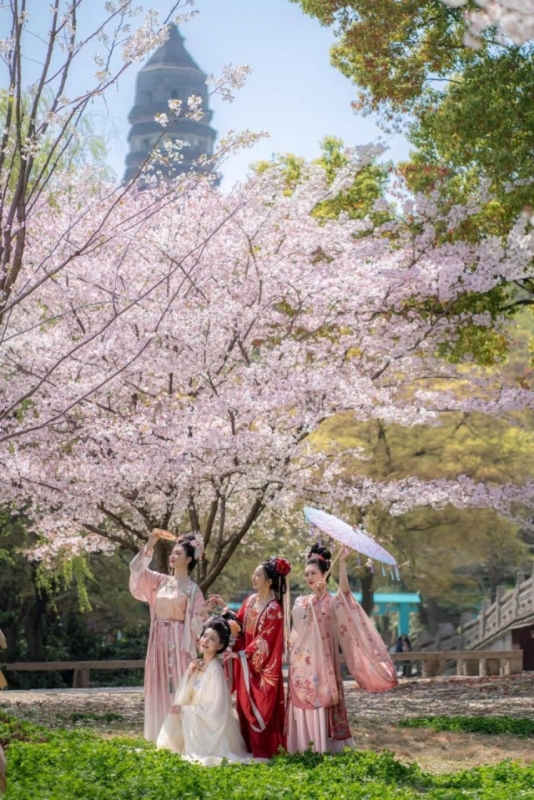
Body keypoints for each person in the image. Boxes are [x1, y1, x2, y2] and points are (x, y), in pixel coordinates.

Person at [286, 544, 398, 754]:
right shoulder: (302, 601)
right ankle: (304, 744)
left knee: (326, 699)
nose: (309, 578)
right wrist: (313, 603)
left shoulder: (333, 602)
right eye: (307, 574)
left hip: (326, 662)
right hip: (305, 663)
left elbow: (345, 592)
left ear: (324, 575)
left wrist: (343, 562)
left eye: (313, 573)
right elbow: (299, 627)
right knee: (306, 697)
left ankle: (325, 744)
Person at [129, 529, 212, 741]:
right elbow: (137, 569)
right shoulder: (160, 581)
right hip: (158, 638)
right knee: (158, 683)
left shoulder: (194, 591)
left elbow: (197, 624)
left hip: (179, 642)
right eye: (172, 553)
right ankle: (158, 734)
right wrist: (150, 543)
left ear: (189, 560)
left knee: (179, 684)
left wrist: (201, 614)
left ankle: (182, 736)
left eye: (177, 554)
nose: (172, 556)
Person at [157, 614, 251, 766]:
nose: (206, 641)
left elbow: (216, 709)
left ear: (220, 646)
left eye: (212, 639)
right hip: (196, 719)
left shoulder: (215, 669)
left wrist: (185, 710)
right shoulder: (198, 665)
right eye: (205, 636)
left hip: (209, 725)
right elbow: (188, 694)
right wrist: (190, 674)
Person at [228, 555, 292, 759]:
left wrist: (242, 654)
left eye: (258, 574)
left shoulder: (275, 609)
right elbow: (238, 626)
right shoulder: (250, 600)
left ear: (270, 581)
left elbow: (266, 640)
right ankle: (247, 747)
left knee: (263, 702)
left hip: (259, 665)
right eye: (254, 574)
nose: (253, 577)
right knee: (243, 702)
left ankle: (266, 750)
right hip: (244, 661)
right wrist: (225, 613)